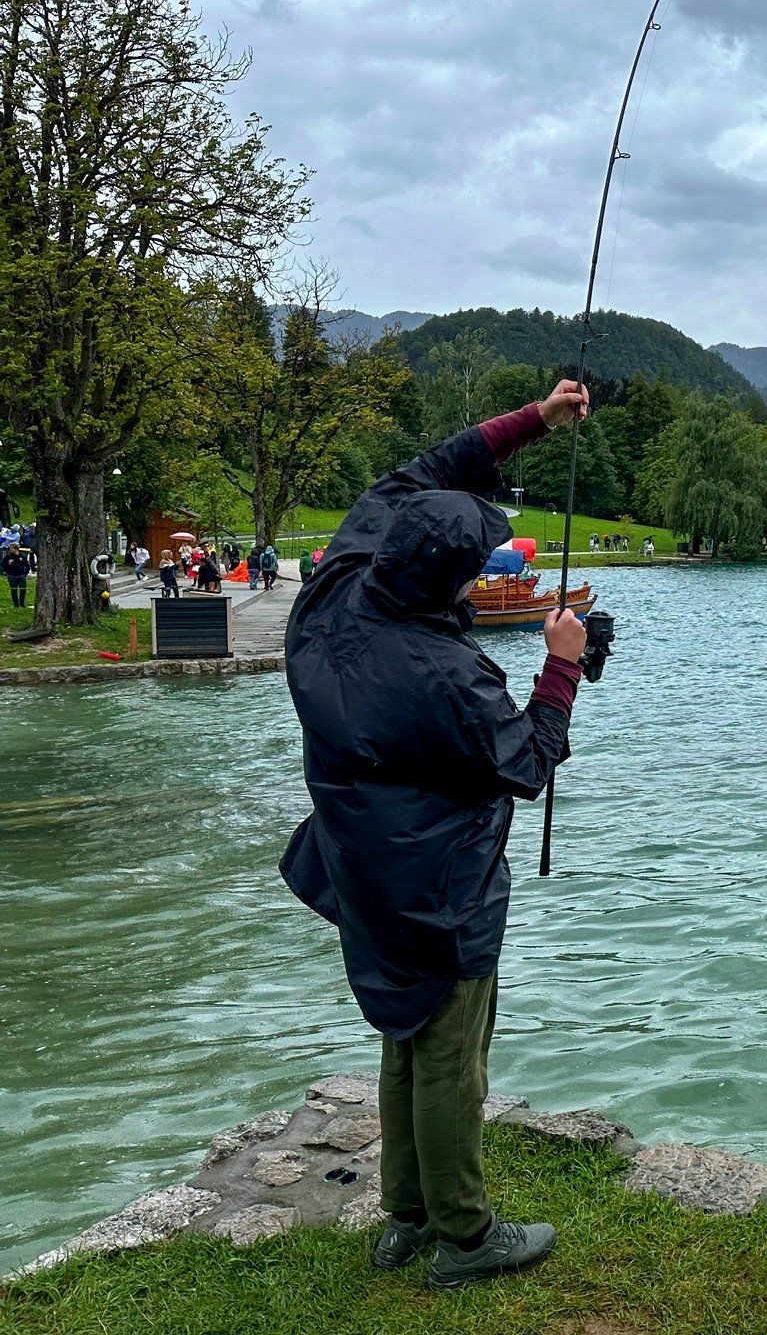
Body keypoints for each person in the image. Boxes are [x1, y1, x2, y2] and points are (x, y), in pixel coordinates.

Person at [281, 378, 589, 1291]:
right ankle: (465, 1234)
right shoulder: (449, 680)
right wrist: (561, 670)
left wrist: (535, 419)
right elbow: (527, 765)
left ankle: (404, 1215)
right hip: (439, 883)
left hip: (360, 868)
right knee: (451, 1053)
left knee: (403, 1032)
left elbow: (428, 469)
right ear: (457, 580)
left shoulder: (337, 588)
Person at [2, 543, 28, 608]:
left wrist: (25, 574)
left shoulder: (22, 556)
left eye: (11, 548)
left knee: (23, 590)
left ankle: (22, 603)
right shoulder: (8, 557)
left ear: (16, 549)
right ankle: (16, 605)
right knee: (14, 590)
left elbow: (27, 566)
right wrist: (8, 566)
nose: (10, 550)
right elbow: (3, 565)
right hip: (12, 576)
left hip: (21, 575)